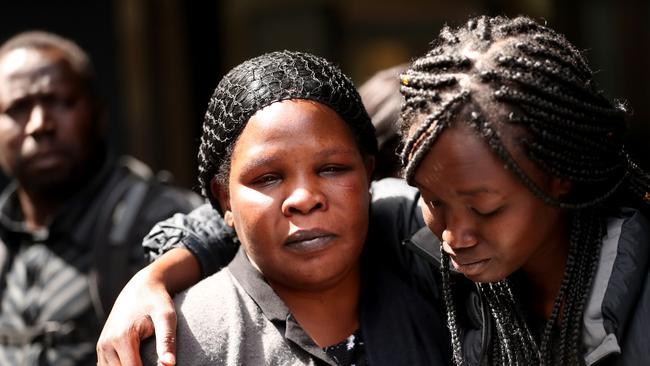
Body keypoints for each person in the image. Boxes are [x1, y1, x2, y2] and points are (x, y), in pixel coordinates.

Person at [99, 15, 650, 366]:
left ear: (559, 176)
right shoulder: (412, 232)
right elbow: (264, 216)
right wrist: (153, 277)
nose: (456, 235)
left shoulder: (632, 290)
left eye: (485, 207)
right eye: (435, 202)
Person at [131, 50, 447, 365]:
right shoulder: (179, 343)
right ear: (225, 199)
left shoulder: (444, 297)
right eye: (267, 178)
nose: (304, 198)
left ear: (368, 174)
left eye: (332, 169)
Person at [0, 31, 199, 365]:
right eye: (18, 108)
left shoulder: (166, 218)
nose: (40, 125)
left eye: (60, 102)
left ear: (98, 113)